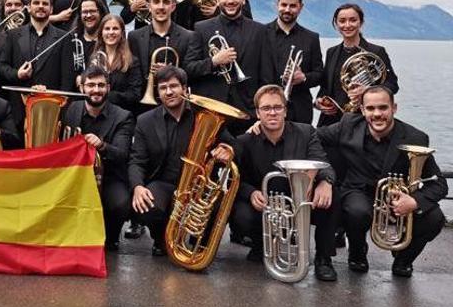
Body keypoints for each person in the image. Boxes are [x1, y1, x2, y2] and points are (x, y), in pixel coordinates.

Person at [317, 86, 446, 277]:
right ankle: (357, 253)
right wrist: (262, 126)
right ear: (362, 110)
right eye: (370, 108)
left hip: (396, 200)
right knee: (356, 211)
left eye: (383, 108)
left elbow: (439, 183)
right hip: (358, 193)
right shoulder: (348, 125)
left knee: (435, 219)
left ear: (394, 108)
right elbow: (309, 136)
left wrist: (414, 201)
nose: (377, 114)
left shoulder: (415, 137)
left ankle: (403, 260)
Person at [232, 85, 337, 281]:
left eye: (277, 107)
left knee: (328, 199)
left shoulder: (305, 133)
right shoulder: (245, 141)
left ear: (285, 110)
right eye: (266, 108)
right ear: (258, 112)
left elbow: (323, 163)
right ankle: (260, 246)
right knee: (241, 214)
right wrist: (251, 193)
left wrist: (326, 182)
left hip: (299, 200)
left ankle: (324, 259)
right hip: (265, 202)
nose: (272, 112)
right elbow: (238, 178)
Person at [128, 66, 235, 256]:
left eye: (174, 86)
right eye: (163, 88)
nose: (169, 92)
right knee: (147, 205)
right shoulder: (145, 121)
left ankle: (197, 243)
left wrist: (227, 150)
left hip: (196, 185)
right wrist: (137, 186)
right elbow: (137, 160)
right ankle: (162, 240)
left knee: (218, 206)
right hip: (162, 182)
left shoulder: (205, 115)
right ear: (158, 93)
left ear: (185, 88)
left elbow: (231, 143)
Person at [62, 66, 135, 250]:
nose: (96, 90)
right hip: (77, 175)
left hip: (110, 176)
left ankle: (110, 239)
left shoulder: (123, 116)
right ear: (81, 88)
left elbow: (122, 154)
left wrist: (102, 146)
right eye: (91, 85)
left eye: (101, 85)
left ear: (109, 88)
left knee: (120, 204)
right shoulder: (72, 108)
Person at [192, 0, 272, 134]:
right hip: (211, 111)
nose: (230, 1)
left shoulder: (260, 31)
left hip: (247, 113)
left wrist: (261, 112)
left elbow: (267, 77)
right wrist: (214, 61)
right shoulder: (201, 28)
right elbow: (189, 69)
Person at [0, 0, 74, 124]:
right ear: (28, 8)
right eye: (36, 3)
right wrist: (17, 74)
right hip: (18, 111)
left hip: (50, 110)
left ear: (51, 9)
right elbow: (2, 66)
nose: (40, 6)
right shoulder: (13, 35)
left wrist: (60, 107)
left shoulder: (64, 37)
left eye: (45, 4)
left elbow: (67, 78)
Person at [316, 3, 399, 127]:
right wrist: (319, 101)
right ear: (336, 24)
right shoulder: (331, 52)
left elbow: (392, 85)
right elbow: (325, 87)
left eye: (353, 20)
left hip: (363, 121)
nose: (347, 25)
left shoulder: (376, 52)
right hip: (332, 122)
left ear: (361, 23)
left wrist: (368, 91)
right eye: (342, 21)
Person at [128, 0, 204, 99]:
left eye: (166, 2)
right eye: (156, 2)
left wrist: (171, 72)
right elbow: (132, 74)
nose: (161, 7)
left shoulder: (189, 37)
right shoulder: (134, 36)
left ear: (173, 7)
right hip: (142, 105)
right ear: (149, 6)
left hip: (177, 101)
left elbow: (193, 73)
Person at [262, 0, 323, 124]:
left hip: (300, 110)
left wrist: (304, 77)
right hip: (268, 108)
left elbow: (319, 74)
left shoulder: (311, 38)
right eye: (283, 5)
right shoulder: (261, 33)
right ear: (277, 5)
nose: (287, 10)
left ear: (301, 7)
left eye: (293, 6)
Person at [88, 14, 143, 112]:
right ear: (101, 33)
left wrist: (108, 95)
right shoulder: (94, 58)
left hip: (121, 115)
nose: (111, 32)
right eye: (107, 29)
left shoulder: (132, 61)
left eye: (115, 28)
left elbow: (135, 95)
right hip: (96, 114)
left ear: (122, 33)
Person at [62, 0, 107, 78]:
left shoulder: (109, 42)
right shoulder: (71, 42)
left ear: (101, 13)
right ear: (80, 15)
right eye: (85, 12)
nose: (89, 15)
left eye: (92, 11)